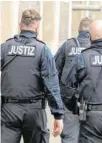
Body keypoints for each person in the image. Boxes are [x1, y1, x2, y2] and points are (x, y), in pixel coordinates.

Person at [1, 9, 64, 143]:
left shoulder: (5, 47)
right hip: (34, 111)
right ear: (37, 27)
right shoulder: (43, 50)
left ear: (20, 25)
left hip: (9, 110)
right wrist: (57, 115)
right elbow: (51, 85)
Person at [54, 17, 92, 143]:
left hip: (68, 99)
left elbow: (54, 70)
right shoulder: (96, 47)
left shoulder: (68, 45)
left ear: (79, 29)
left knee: (70, 136)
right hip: (92, 99)